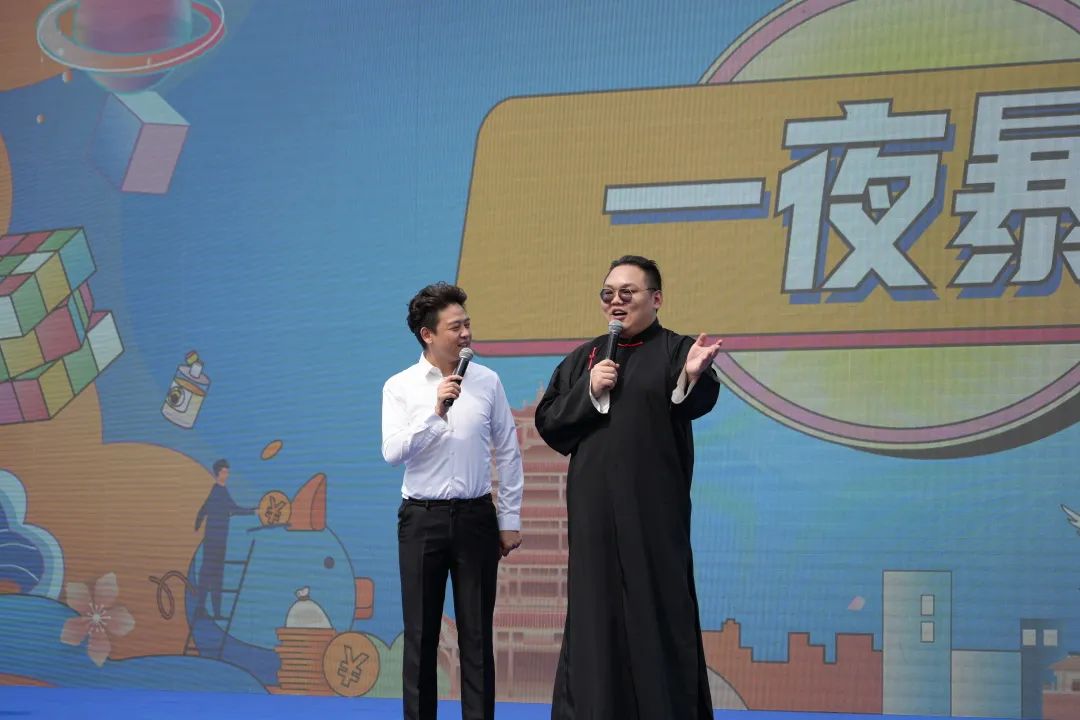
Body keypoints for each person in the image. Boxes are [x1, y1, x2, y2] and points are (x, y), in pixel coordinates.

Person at [535, 255, 724, 719]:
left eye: (628, 293)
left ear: (656, 299)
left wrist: (691, 375)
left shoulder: (678, 350)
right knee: (594, 615)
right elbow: (550, 423)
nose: (616, 301)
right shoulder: (584, 359)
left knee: (658, 610)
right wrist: (588, 391)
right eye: (608, 294)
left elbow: (699, 400)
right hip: (594, 513)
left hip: (653, 513)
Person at [382, 282, 525, 720]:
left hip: (476, 518)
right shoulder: (400, 386)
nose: (465, 333)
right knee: (421, 636)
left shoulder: (487, 381)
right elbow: (393, 452)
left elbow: (508, 450)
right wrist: (436, 413)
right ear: (427, 334)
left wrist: (509, 519)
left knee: (477, 637)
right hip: (421, 520)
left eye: (467, 324)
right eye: (455, 327)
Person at [194, 459, 254, 619]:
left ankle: (213, 611)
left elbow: (203, 510)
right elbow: (232, 508)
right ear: (219, 473)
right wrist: (252, 511)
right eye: (225, 471)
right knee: (212, 575)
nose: (227, 474)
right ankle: (205, 608)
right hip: (215, 540)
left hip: (217, 539)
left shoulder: (219, 491)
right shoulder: (219, 491)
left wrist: (198, 524)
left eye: (228, 471)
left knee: (213, 575)